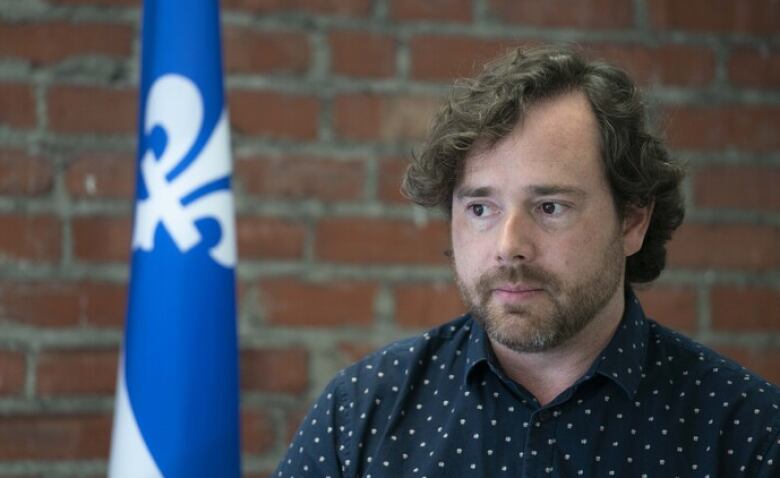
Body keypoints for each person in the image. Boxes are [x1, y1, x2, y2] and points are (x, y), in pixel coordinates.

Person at [272, 45, 780, 477]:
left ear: (632, 222)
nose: (508, 244)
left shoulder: (747, 431)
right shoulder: (361, 412)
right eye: (480, 208)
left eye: (550, 207)